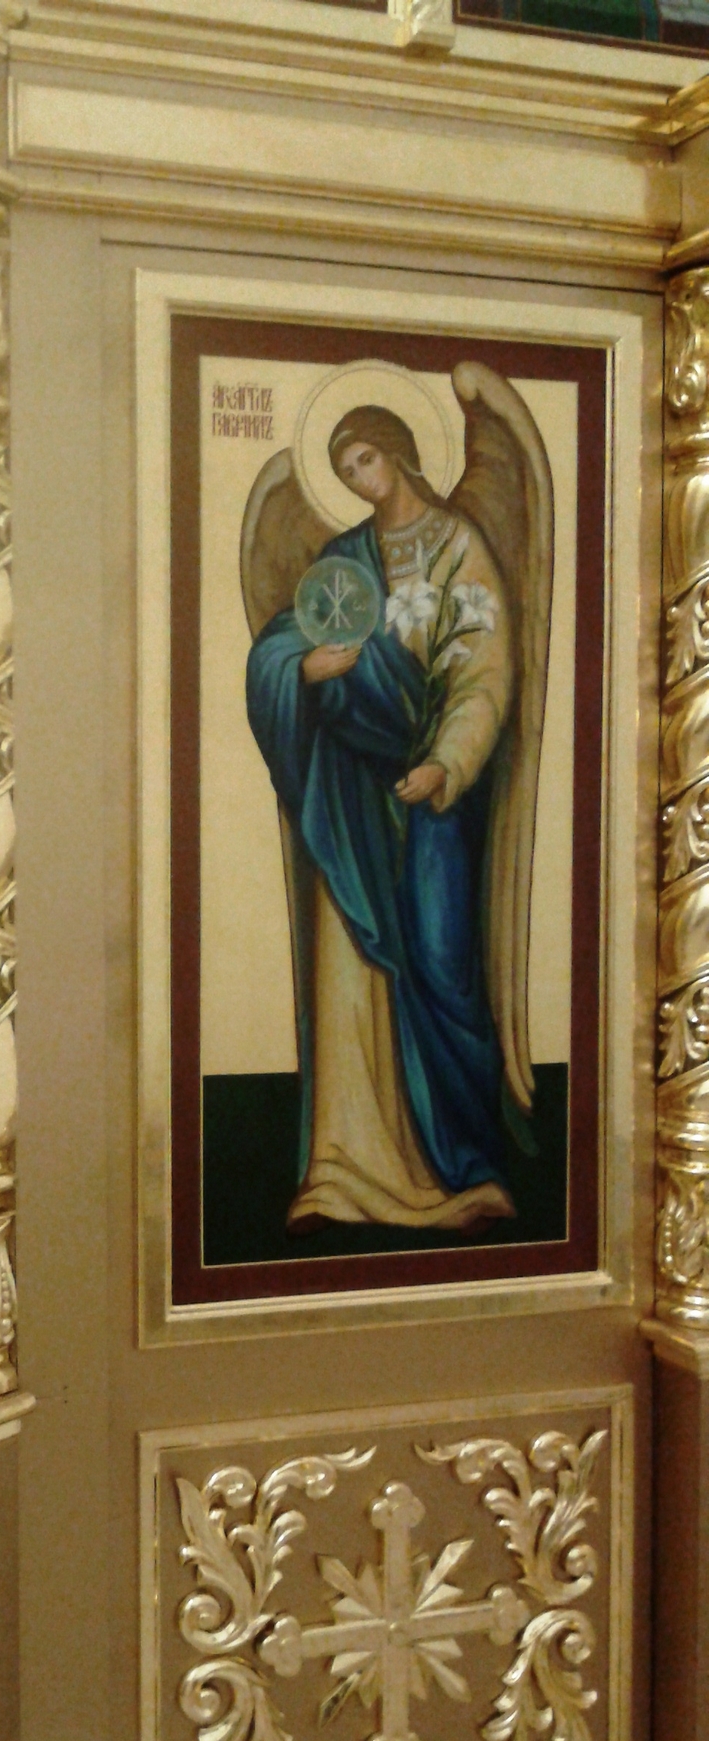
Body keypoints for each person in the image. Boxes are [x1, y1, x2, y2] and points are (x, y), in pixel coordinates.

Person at [245, 404, 517, 1237]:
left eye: (366, 459)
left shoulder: (456, 545)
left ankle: (465, 1168)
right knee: (352, 970)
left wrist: (446, 763)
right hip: (353, 792)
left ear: (399, 453)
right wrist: (306, 668)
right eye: (345, 470)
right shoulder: (343, 558)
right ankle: (346, 1172)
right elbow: (280, 647)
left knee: (439, 963)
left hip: (429, 789)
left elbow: (482, 674)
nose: (360, 479)